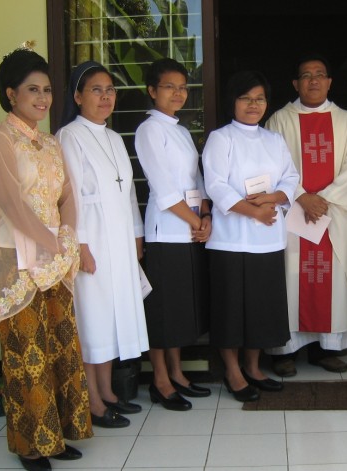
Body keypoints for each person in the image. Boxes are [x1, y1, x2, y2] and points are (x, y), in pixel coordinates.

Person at [0, 43, 91, 471]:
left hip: (55, 256)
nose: (43, 98)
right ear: (11, 94)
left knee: (59, 345)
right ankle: (31, 444)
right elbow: (11, 202)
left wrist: (67, 235)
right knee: (26, 351)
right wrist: (51, 241)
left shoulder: (49, 142)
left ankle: (57, 435)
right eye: (33, 89)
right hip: (18, 257)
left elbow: (68, 195)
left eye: (46, 90)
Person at [265, 53, 347, 376]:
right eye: (306, 75)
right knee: (291, 278)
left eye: (319, 74)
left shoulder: (345, 122)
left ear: (330, 82)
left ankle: (326, 348)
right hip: (294, 215)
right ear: (296, 84)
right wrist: (302, 197)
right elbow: (272, 166)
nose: (313, 81)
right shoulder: (279, 120)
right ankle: (285, 350)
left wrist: (324, 200)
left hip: (334, 215)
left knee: (331, 279)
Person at [57, 61, 149, 428]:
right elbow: (71, 197)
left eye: (110, 90)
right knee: (92, 318)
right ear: (78, 96)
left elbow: (128, 193)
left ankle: (108, 391)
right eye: (96, 89)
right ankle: (92, 401)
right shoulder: (69, 135)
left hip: (120, 240)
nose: (105, 96)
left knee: (112, 316)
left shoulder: (113, 137)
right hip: (91, 238)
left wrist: (137, 237)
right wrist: (80, 245)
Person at [202, 70, 300, 401]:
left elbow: (291, 177)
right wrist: (253, 211)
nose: (253, 104)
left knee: (260, 307)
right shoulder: (221, 139)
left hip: (267, 238)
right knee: (231, 308)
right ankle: (233, 371)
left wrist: (273, 198)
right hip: (230, 239)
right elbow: (216, 185)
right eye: (245, 98)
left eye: (259, 98)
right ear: (233, 102)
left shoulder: (274, 140)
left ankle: (254, 367)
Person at [135, 58, 211, 411]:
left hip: (190, 230)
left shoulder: (180, 130)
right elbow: (164, 190)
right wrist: (196, 222)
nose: (178, 93)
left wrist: (205, 216)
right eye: (169, 87)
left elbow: (196, 180)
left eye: (183, 87)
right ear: (152, 90)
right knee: (163, 310)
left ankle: (178, 373)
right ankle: (161, 380)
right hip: (165, 233)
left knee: (180, 308)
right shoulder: (149, 130)